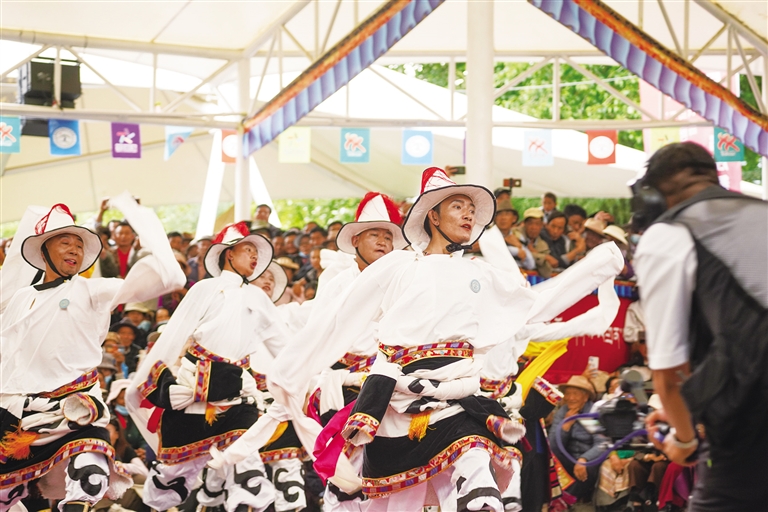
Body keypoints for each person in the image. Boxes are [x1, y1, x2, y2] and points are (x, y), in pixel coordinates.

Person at [267, 168, 623, 511]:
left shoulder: (480, 273)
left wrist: (596, 267)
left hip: (459, 396)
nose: (468, 214)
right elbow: (337, 321)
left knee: (477, 467)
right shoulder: (398, 266)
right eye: (457, 206)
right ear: (433, 216)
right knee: (392, 500)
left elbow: (534, 305)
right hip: (398, 399)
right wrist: (291, 375)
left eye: (471, 209)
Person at [0, 195, 185, 512]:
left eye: (79, 245)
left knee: (91, 477)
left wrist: (136, 214)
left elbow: (171, 277)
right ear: (43, 251)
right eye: (65, 242)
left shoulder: (93, 290)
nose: (74, 249)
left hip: (76, 408)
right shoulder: (20, 298)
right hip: (21, 412)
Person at [634, 142, 768, 510]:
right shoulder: (761, 213)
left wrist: (684, 439)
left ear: (651, 197)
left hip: (749, 424)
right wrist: (690, 404)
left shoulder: (668, 234)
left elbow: (669, 372)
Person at [127, 222, 288, 512]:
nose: (254, 257)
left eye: (256, 252)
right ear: (229, 254)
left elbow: (285, 347)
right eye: (248, 250)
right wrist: (158, 383)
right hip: (192, 390)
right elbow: (172, 338)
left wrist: (311, 374)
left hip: (237, 395)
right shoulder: (204, 289)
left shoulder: (258, 298)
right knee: (171, 477)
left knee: (246, 465)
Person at [549, 375, 605, 501]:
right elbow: (553, 445)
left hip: (589, 459)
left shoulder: (593, 413)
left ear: (585, 397)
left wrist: (584, 459)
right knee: (551, 459)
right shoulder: (563, 412)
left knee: (589, 468)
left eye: (575, 394)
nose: (571, 398)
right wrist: (565, 427)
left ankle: (565, 500)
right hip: (568, 458)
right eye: (568, 394)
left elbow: (601, 444)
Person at [513, 207, 552, 277]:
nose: (534, 227)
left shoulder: (543, 245)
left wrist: (534, 253)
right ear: (524, 224)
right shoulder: (514, 234)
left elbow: (546, 271)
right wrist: (543, 257)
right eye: (530, 223)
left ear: (541, 226)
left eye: (537, 224)